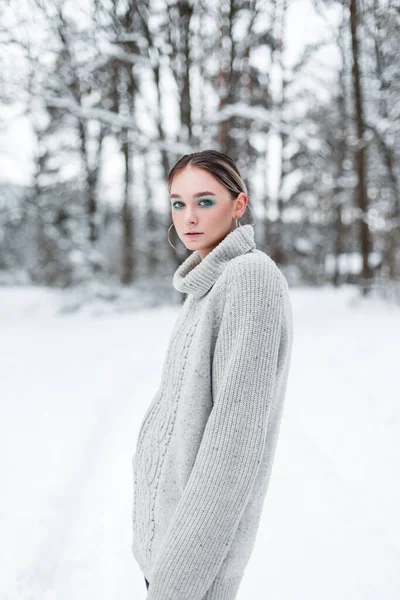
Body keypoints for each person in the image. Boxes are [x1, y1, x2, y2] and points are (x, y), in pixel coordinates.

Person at [131, 150, 294, 600]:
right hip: (164, 551)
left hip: (191, 572)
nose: (188, 217)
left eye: (205, 201)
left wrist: (176, 583)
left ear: (238, 205)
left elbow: (232, 451)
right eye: (178, 203)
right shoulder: (205, 287)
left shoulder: (250, 279)